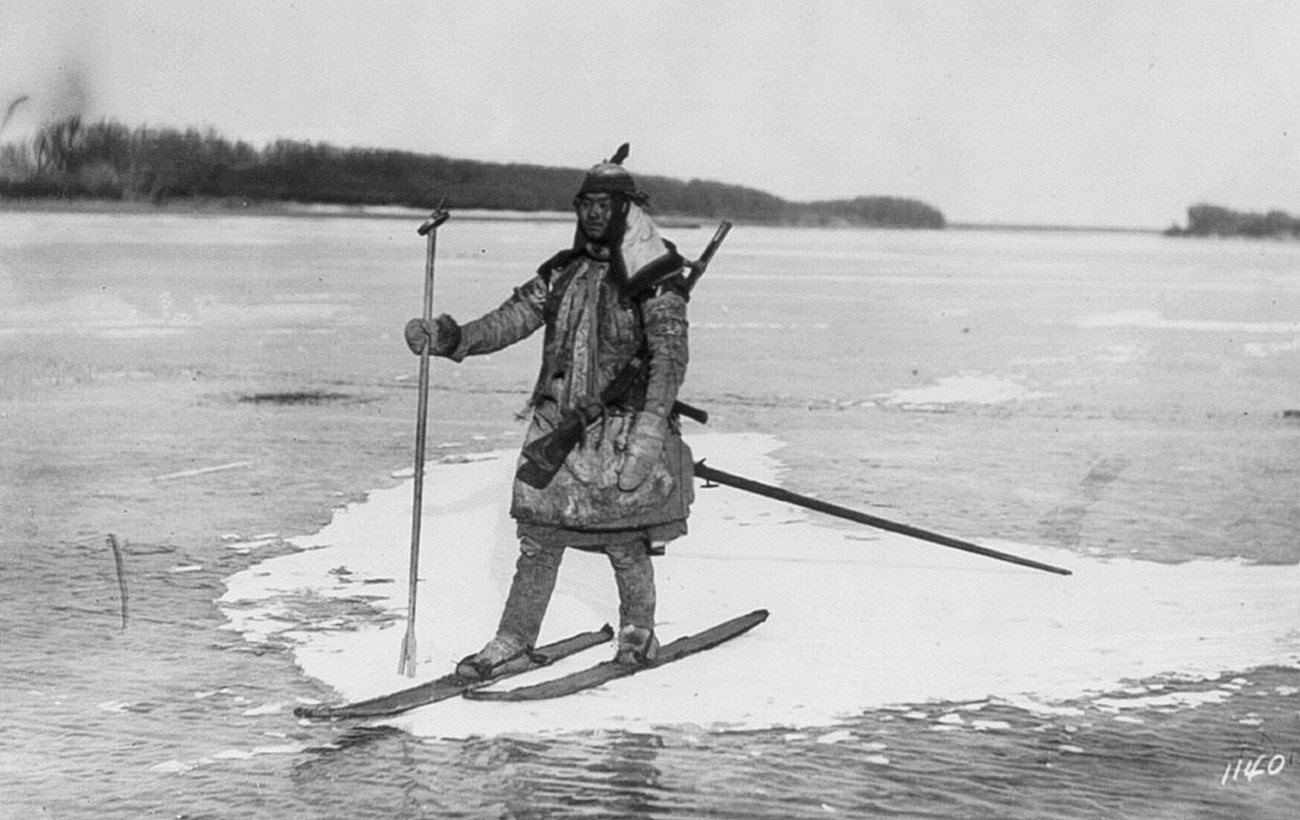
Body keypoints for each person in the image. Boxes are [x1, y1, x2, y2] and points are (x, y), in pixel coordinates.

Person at [404, 144, 694, 678]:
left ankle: (638, 631)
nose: (594, 214)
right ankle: (514, 638)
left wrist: (649, 432)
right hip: (558, 425)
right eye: (586, 204)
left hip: (622, 428)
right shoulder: (563, 273)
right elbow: (512, 318)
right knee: (539, 539)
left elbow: (670, 356)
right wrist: (454, 338)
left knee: (624, 540)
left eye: (606, 205)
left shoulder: (656, 276)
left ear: (628, 211)